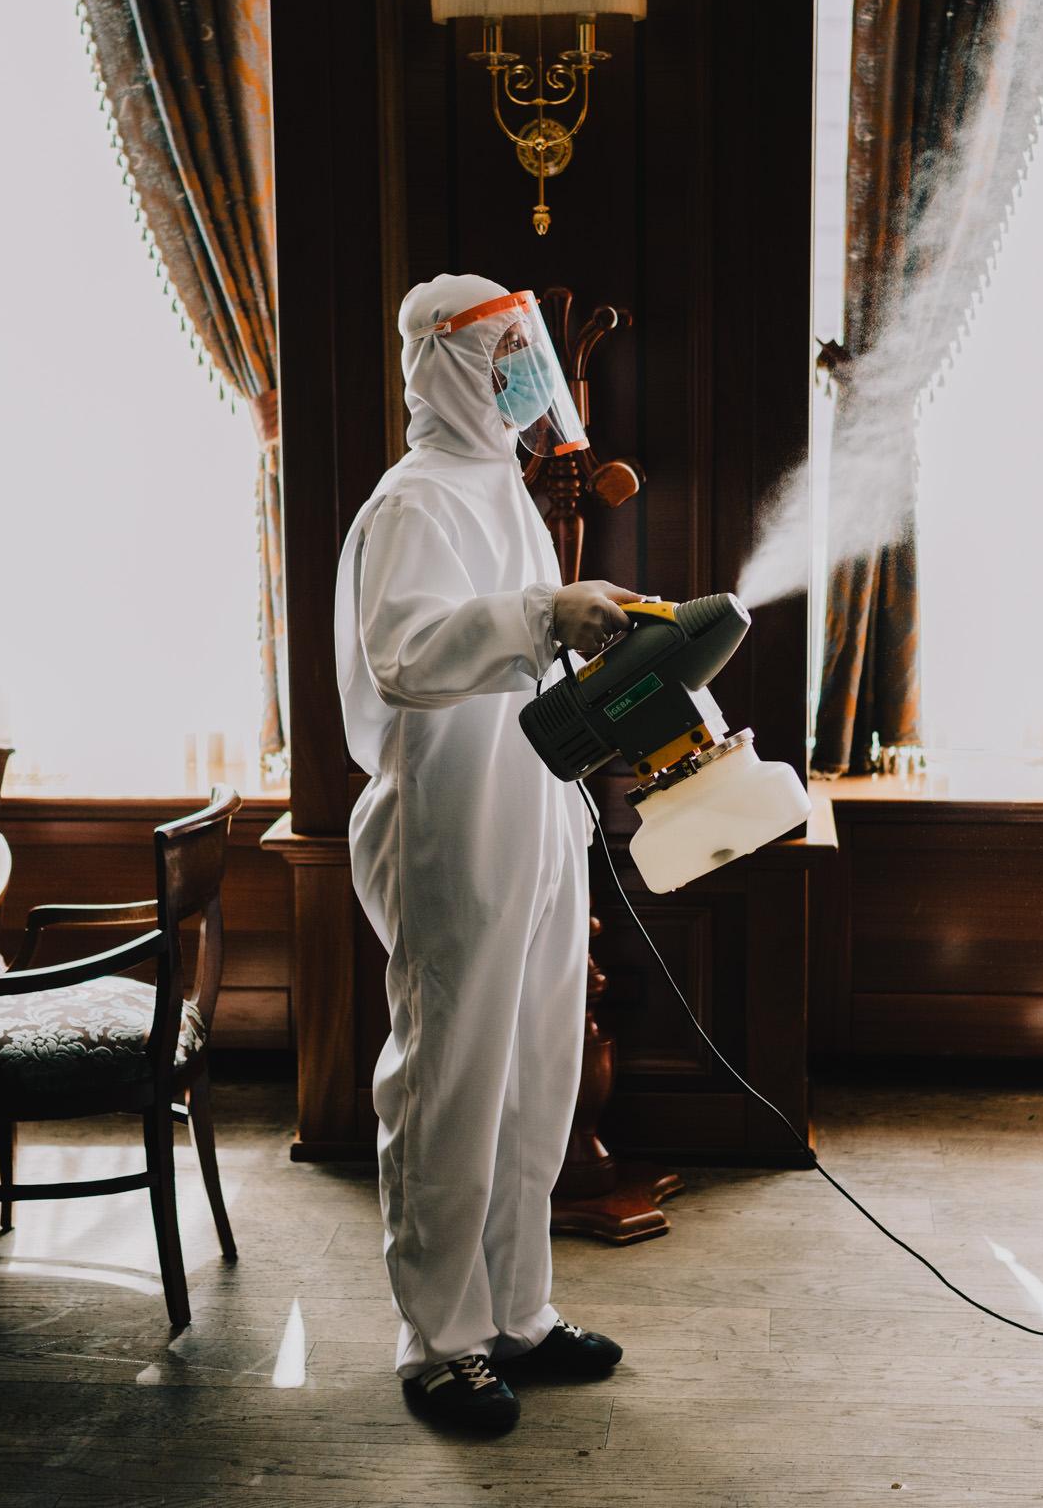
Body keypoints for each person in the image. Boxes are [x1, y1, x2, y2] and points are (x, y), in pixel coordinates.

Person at [333, 272, 638, 1433]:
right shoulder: (414, 499)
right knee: (452, 1080)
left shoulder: (498, 484)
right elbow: (406, 652)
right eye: (505, 352)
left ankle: (519, 1312)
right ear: (449, 365)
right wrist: (540, 616)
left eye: (530, 352)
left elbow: (527, 643)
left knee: (536, 1072)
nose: (526, 372)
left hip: (535, 808)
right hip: (451, 828)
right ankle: (438, 1342)